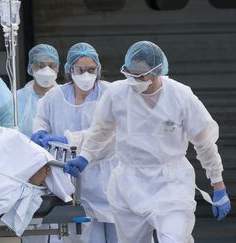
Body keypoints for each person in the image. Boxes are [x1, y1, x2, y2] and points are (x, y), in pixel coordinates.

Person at [64, 41, 231, 243]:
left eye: (140, 76)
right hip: (129, 184)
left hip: (170, 184)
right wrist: (85, 157)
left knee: (174, 238)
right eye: (130, 74)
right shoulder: (117, 93)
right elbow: (101, 131)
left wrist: (218, 184)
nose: (134, 80)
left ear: (158, 71)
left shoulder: (180, 97)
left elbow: (204, 142)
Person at [31, 43, 118, 243]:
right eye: (80, 69)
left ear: (98, 70)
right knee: (85, 237)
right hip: (73, 180)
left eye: (91, 70)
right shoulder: (55, 95)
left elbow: (109, 132)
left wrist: (70, 140)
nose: (86, 74)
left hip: (108, 177)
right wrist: (40, 131)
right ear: (70, 69)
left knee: (120, 236)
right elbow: (42, 117)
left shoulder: (111, 93)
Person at [17, 44, 59, 137]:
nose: (47, 70)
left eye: (52, 66)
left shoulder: (66, 96)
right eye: (40, 66)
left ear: (57, 68)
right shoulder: (17, 99)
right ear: (31, 68)